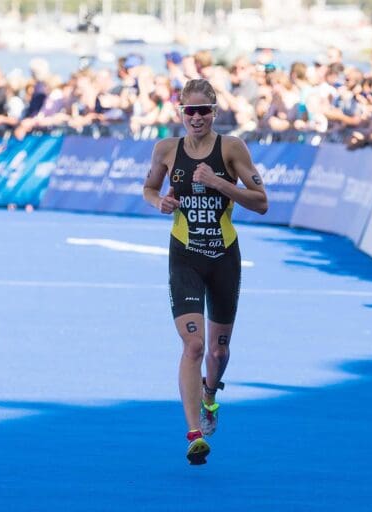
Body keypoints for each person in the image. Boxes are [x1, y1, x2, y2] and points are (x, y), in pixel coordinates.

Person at [143, 78, 268, 465]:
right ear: (180, 113)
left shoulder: (231, 148)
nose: (196, 118)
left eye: (203, 111)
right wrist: (159, 202)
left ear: (215, 112)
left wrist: (218, 183)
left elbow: (261, 202)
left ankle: (210, 394)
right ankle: (194, 433)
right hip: (185, 257)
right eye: (189, 111)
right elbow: (149, 188)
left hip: (223, 257)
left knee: (219, 349)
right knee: (194, 345)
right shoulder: (166, 149)